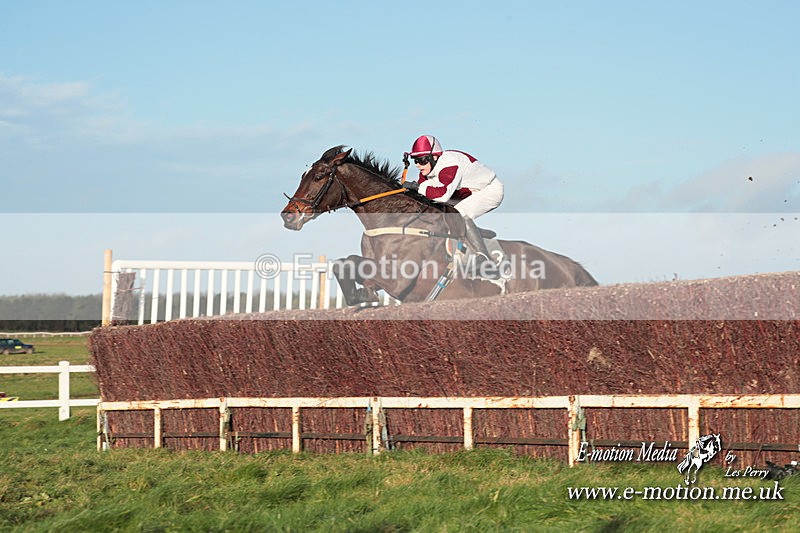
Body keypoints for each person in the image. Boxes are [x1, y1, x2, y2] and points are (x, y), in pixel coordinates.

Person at [403, 135, 504, 268]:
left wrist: (417, 187)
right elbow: (426, 197)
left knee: (458, 214)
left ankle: (483, 257)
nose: (418, 165)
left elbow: (443, 195)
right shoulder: (427, 170)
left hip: (490, 190)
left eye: (421, 160)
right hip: (466, 194)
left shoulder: (450, 164)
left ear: (434, 157)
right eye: (415, 160)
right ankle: (475, 234)